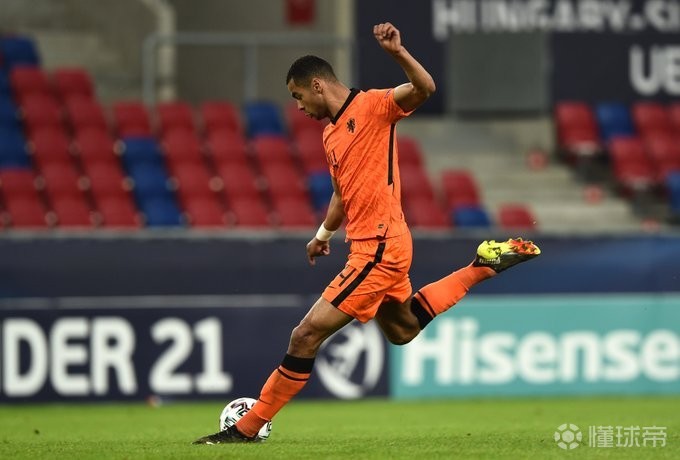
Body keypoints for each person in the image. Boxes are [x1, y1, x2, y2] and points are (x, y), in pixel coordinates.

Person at [193, 22, 540, 445]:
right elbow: (341, 195)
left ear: (317, 85)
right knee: (403, 329)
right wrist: (323, 235)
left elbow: (425, 88)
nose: (298, 106)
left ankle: (246, 429)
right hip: (374, 244)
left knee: (305, 335)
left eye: (298, 96)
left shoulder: (375, 105)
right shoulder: (330, 135)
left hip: (380, 247)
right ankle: (481, 267)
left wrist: (398, 53)